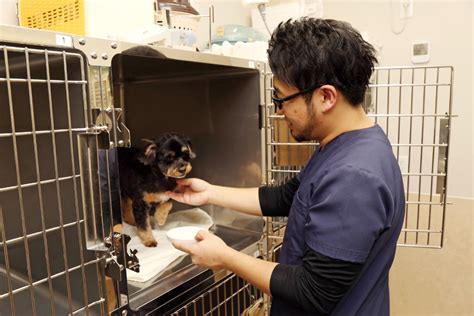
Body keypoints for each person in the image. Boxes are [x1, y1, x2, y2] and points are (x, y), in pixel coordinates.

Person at [166, 17, 405, 316]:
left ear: (326, 97)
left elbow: (314, 292)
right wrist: (209, 193)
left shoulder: (354, 176)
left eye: (281, 98)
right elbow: (287, 197)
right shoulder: (343, 145)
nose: (278, 111)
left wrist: (225, 257)